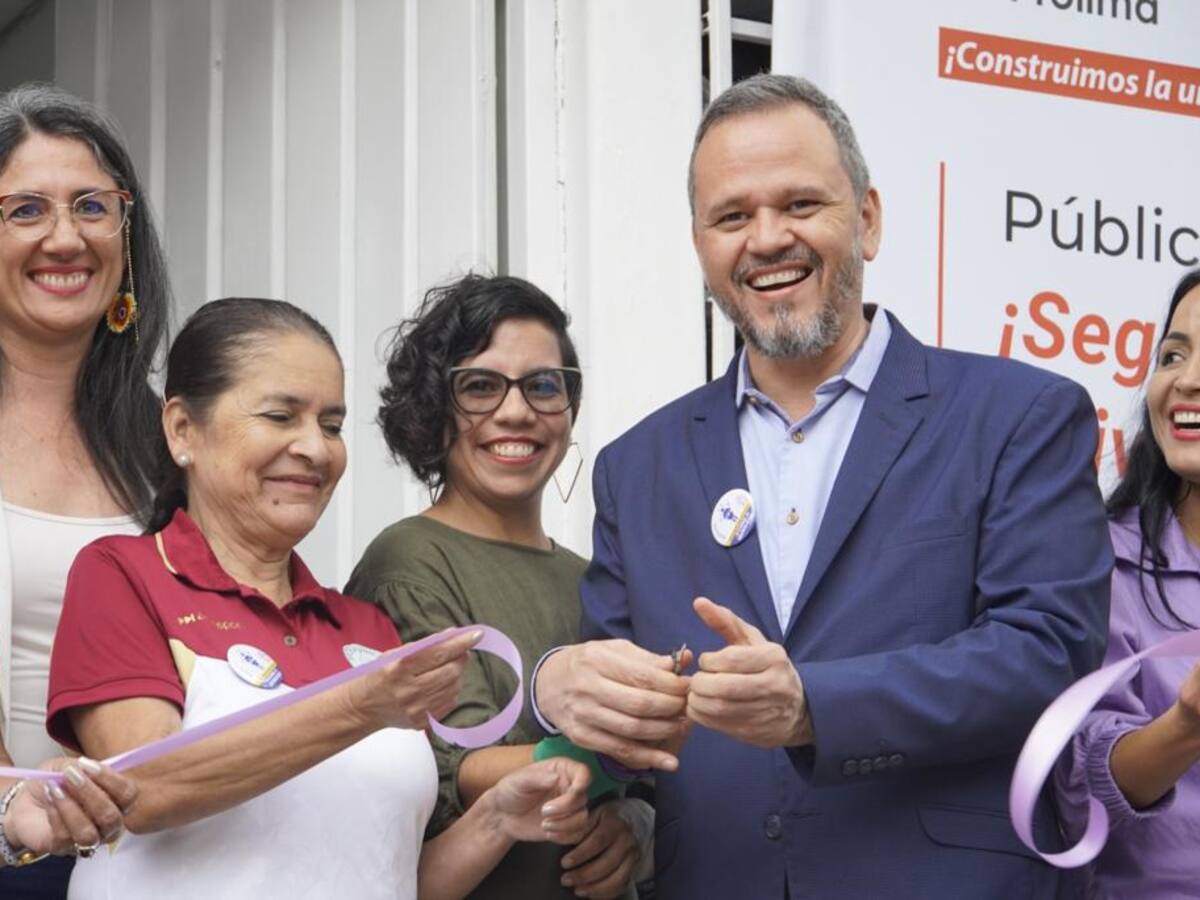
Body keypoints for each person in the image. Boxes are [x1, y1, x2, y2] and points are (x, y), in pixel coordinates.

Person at [531, 73, 1113, 898]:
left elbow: (1050, 652)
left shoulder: (1019, 415)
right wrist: (560, 689)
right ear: (700, 244)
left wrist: (814, 705)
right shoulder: (637, 465)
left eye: (801, 205)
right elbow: (626, 716)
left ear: (868, 221)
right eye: (732, 216)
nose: (767, 239)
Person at [46, 298, 594, 900]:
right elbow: (140, 790)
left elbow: (391, 878)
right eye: (281, 416)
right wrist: (360, 706)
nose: (315, 447)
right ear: (183, 430)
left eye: (331, 425)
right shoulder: (124, 575)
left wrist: (495, 820)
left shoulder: (363, 626)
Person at [346, 274, 650, 900]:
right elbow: (458, 770)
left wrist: (631, 825)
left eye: (543, 386)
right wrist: (624, 753)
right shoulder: (410, 562)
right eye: (480, 387)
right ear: (435, 408)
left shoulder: (587, 574)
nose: (516, 411)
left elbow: (641, 792)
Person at [0, 82, 170, 896]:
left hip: (157, 857)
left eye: (92, 207)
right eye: (25, 210)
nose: (65, 238)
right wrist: (15, 809)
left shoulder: (173, 439)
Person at [1055, 268, 1200, 898]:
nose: (1187, 380)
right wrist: (1186, 725)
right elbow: (1074, 792)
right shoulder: (1100, 561)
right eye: (1174, 354)